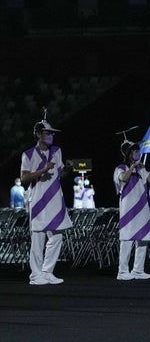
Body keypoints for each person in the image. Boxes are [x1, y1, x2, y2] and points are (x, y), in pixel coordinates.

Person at [20, 116, 73, 285]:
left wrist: (67, 169)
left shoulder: (57, 151)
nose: (51, 135)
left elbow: (60, 174)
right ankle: (35, 275)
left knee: (57, 236)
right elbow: (24, 179)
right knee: (38, 238)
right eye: (47, 133)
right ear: (37, 134)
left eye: (52, 133)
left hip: (56, 199)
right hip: (38, 200)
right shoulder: (28, 154)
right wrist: (42, 170)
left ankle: (47, 271)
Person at [114, 140, 150, 280]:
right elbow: (124, 179)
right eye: (135, 151)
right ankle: (123, 271)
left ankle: (138, 270)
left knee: (143, 237)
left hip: (142, 205)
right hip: (128, 207)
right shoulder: (120, 167)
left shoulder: (141, 169)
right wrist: (132, 167)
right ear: (128, 154)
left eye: (138, 151)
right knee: (127, 238)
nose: (138, 153)